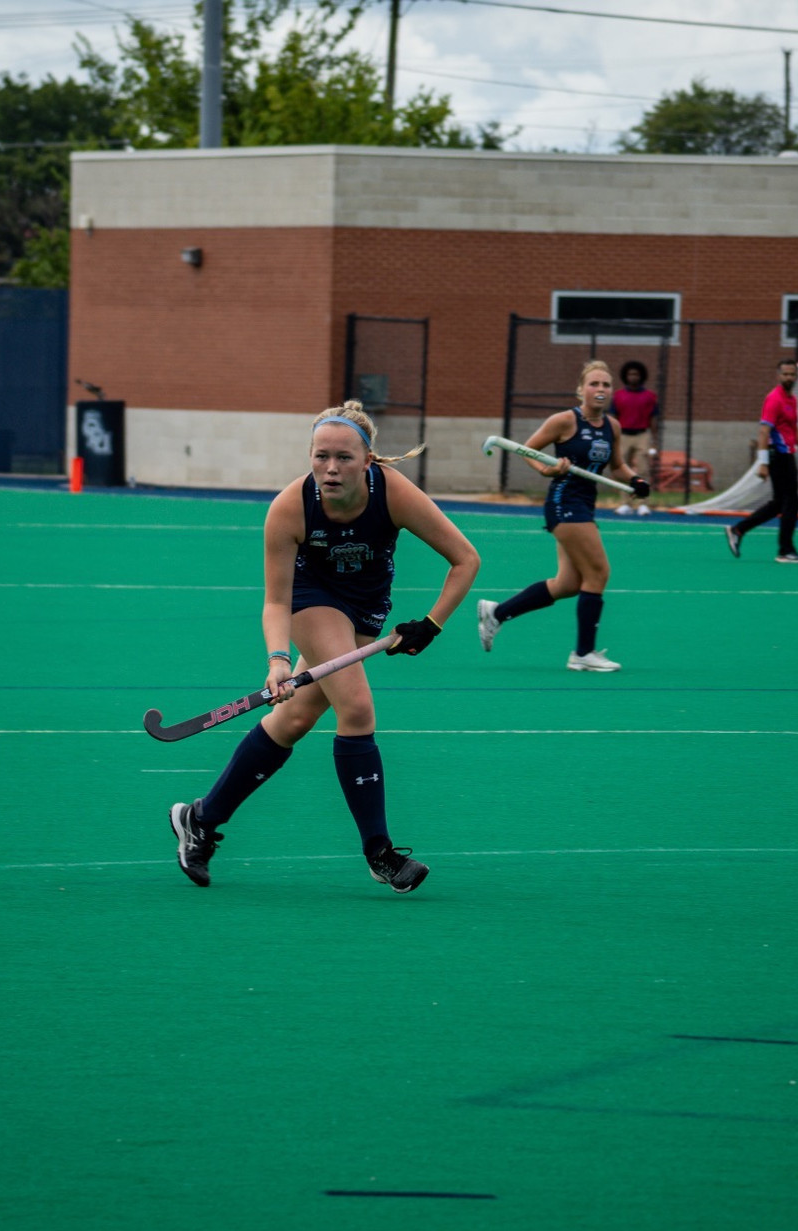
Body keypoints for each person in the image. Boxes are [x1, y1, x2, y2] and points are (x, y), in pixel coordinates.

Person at [168, 401, 480, 894]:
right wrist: (275, 659)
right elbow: (276, 599)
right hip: (312, 602)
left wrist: (432, 625)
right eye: (320, 456)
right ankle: (380, 852)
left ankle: (200, 818)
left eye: (344, 458)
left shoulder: (394, 493)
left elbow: (465, 560)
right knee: (356, 707)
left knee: (292, 720)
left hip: (367, 608)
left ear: (369, 461)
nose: (330, 469)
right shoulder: (291, 507)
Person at [476, 360, 650, 672]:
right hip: (564, 502)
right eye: (594, 384)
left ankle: (497, 613)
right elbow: (528, 450)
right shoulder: (564, 421)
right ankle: (583, 653)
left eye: (606, 385)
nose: (600, 389)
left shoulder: (612, 426)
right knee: (599, 573)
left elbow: (618, 466)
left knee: (569, 583)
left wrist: (635, 480)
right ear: (581, 390)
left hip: (586, 503)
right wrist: (549, 469)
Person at [724, 358, 798, 564]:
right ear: (778, 376)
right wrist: (763, 463)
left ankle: (738, 530)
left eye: (792, 374)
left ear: (796, 376)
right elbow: (763, 431)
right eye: (785, 374)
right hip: (778, 456)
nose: (789, 377)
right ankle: (785, 550)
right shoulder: (774, 399)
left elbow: (794, 430)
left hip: (788, 455)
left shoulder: (792, 400)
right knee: (791, 502)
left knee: (779, 504)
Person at [611, 360, 660, 516]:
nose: (633, 377)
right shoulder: (618, 396)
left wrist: (654, 440)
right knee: (622, 469)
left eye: (636, 374)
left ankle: (642, 504)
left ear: (641, 376)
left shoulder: (650, 396)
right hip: (623, 435)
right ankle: (625, 503)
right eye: (631, 374)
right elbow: (614, 417)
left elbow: (653, 419)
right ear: (626, 376)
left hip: (642, 434)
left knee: (644, 469)